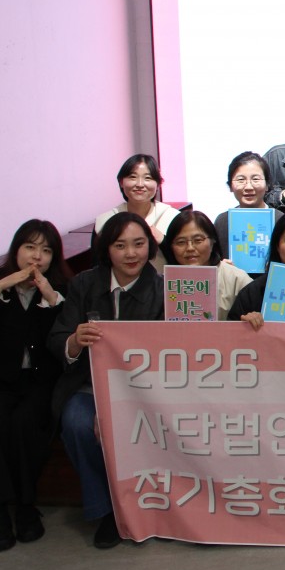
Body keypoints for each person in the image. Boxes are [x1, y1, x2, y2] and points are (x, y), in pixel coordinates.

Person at [48, 212, 165, 549]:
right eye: (120, 245)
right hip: (89, 385)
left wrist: (115, 406)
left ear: (150, 246)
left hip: (144, 390)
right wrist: (74, 340)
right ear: (106, 250)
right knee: (76, 422)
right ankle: (107, 510)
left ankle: (152, 504)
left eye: (139, 244)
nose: (131, 254)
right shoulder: (83, 284)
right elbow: (57, 339)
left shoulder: (163, 289)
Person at [0, 219, 71, 552]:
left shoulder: (62, 286)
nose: (37, 256)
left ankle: (24, 505)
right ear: (16, 249)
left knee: (25, 423)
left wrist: (50, 296)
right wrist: (2, 286)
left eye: (46, 250)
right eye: (30, 247)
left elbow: (63, 339)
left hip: (40, 383)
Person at [160, 210, 252, 321]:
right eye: (181, 242)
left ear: (213, 241)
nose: (190, 248)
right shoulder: (162, 283)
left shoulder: (237, 279)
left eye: (198, 240)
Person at [94, 153, 180, 250]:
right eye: (133, 177)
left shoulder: (173, 218)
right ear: (121, 182)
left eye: (147, 178)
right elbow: (98, 258)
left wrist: (163, 241)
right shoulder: (105, 220)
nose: (140, 184)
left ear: (158, 184)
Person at [214, 151, 281, 260]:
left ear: (267, 185)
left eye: (255, 179)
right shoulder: (223, 221)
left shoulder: (280, 220)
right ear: (230, 186)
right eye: (241, 180)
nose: (249, 187)